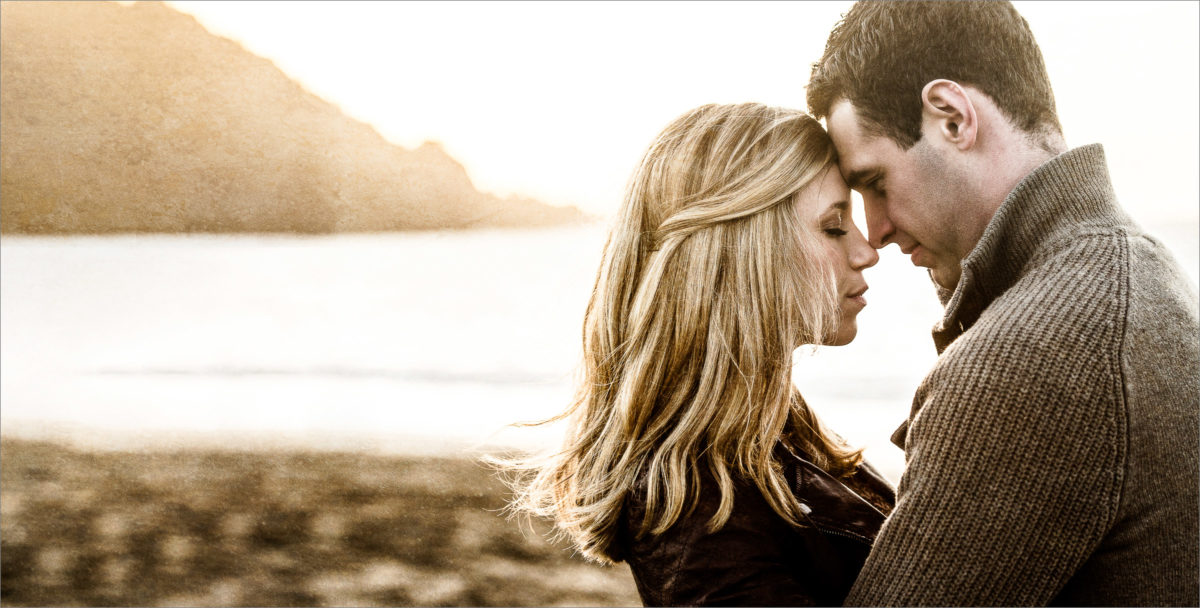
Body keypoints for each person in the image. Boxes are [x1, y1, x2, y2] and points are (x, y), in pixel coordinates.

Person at [806, 2, 1200, 605]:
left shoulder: (1035, 354)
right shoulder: (1143, 271)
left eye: (875, 183)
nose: (876, 230)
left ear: (953, 118)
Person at [499, 103, 892, 605]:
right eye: (834, 227)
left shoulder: (769, 436)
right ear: (743, 249)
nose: (866, 251)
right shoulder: (701, 504)